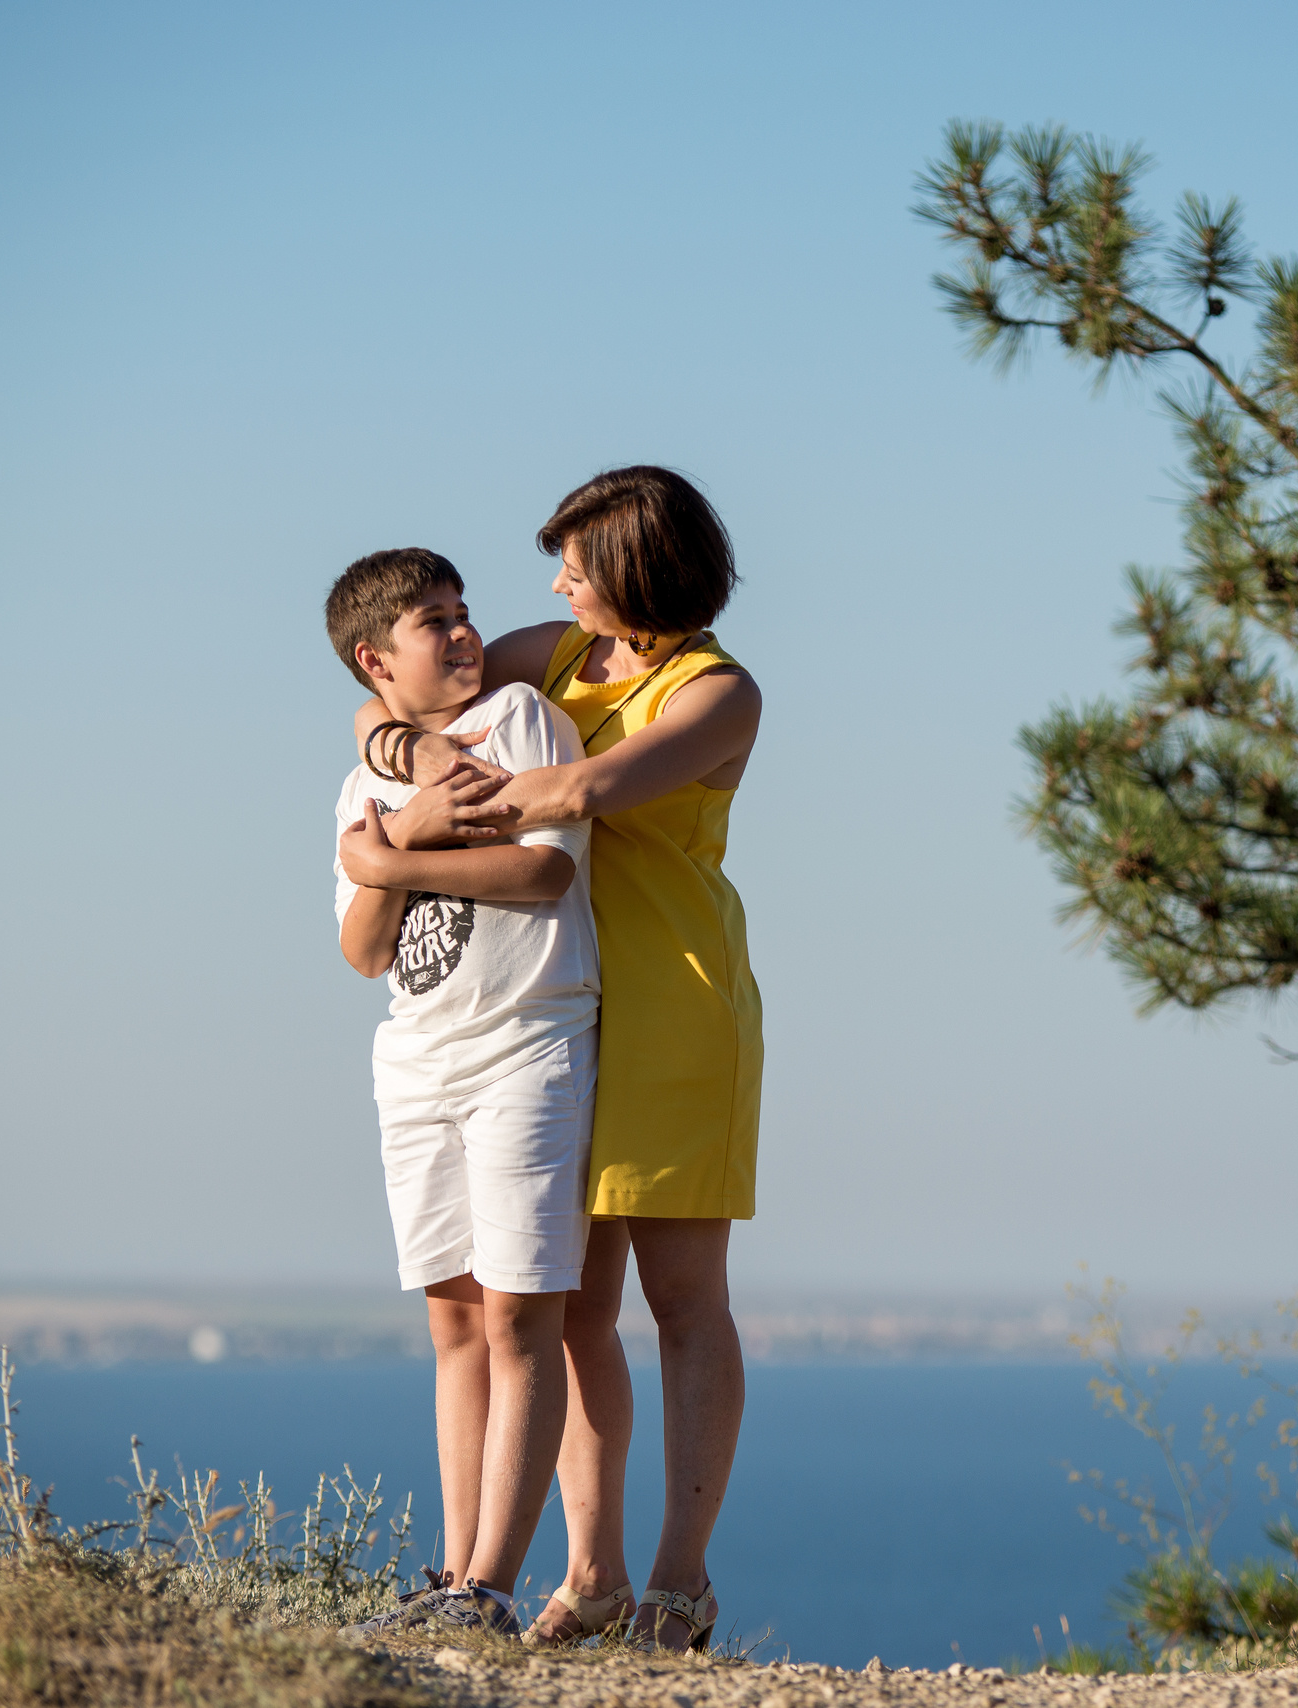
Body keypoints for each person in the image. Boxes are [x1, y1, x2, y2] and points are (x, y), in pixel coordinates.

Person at [359, 467, 762, 1653]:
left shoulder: (719, 693)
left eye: (575, 565)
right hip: (560, 1017)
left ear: (634, 566)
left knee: (683, 1301)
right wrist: (396, 748)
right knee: (572, 1308)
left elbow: (585, 789)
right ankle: (590, 1575)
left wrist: (408, 833)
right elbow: (395, 694)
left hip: (679, 1012)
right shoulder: (560, 657)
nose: (553, 585)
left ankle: (678, 1585)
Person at [324, 548, 603, 1638]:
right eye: (430, 621)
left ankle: (490, 1584)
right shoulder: (361, 786)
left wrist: (397, 857)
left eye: (460, 611)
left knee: (522, 1315)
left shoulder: (521, 718)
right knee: (453, 1323)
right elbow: (359, 951)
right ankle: (450, 1577)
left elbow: (546, 872)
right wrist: (393, 837)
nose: (460, 631)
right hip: (417, 1065)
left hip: (527, 1048)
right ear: (372, 659)